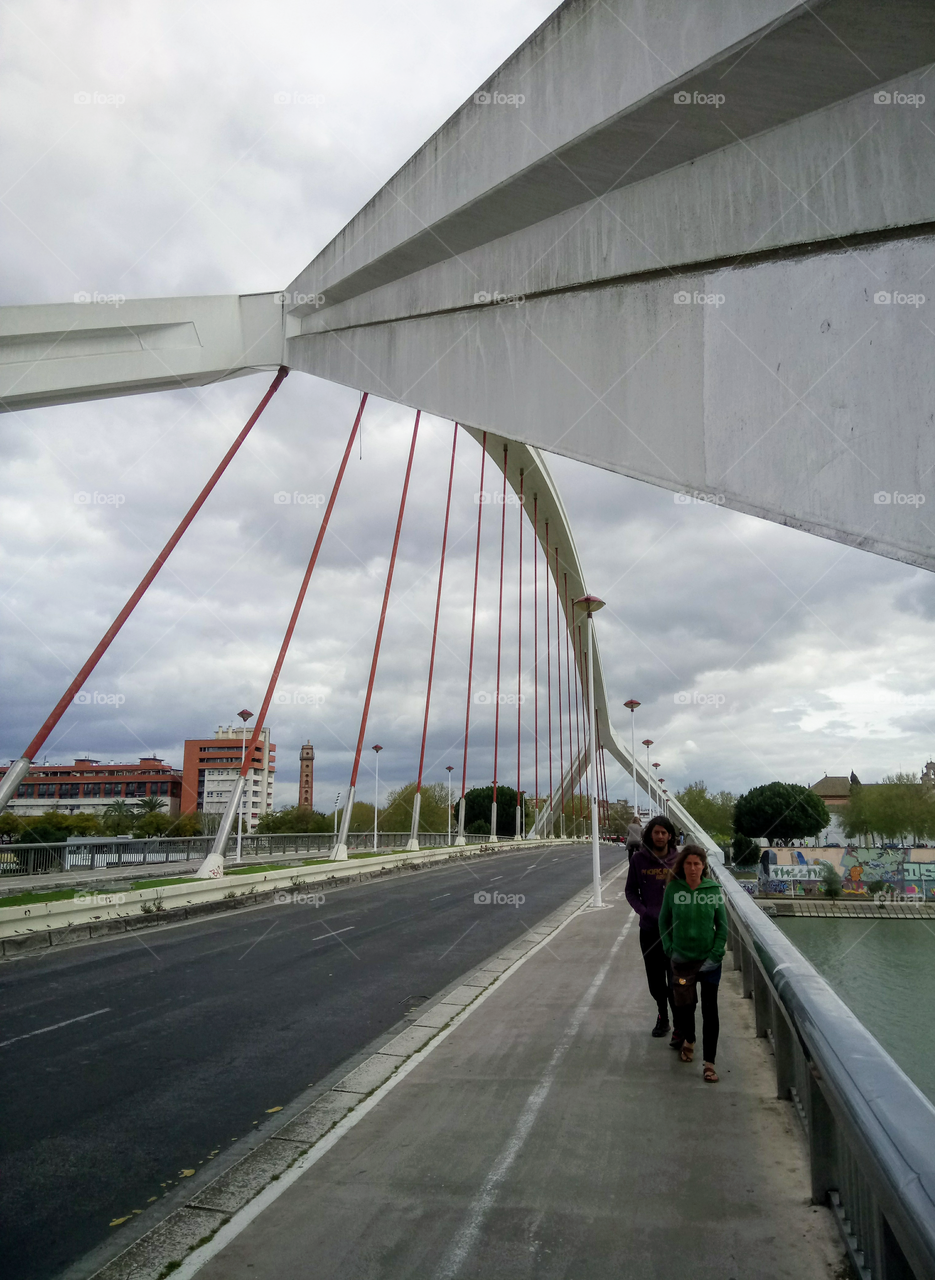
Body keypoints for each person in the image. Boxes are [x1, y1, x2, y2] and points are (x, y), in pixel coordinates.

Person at [658, 844, 728, 1083]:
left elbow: (722, 926)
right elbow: (663, 921)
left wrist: (716, 954)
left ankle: (709, 1063)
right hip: (682, 961)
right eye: (688, 863)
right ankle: (689, 1038)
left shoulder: (714, 890)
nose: (692, 868)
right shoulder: (673, 889)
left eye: (697, 863)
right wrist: (669, 948)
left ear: (703, 866)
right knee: (684, 1007)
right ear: (682, 865)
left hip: (709, 962)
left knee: (710, 1011)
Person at [625, 814, 678, 1037]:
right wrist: (643, 911)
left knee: (677, 980)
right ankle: (662, 1016)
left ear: (670, 836)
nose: (659, 836)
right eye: (656, 832)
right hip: (649, 931)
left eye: (664, 833)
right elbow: (630, 891)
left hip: (675, 932)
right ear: (649, 834)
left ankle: (680, 1025)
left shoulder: (679, 861)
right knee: (656, 981)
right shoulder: (638, 860)